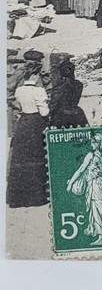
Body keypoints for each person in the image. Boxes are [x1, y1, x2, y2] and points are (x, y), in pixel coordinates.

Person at [6, 62, 50, 208]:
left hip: (23, 123)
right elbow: (44, 112)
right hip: (35, 123)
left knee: (22, 158)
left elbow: (18, 105)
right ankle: (37, 196)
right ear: (36, 75)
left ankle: (20, 197)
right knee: (37, 157)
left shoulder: (19, 90)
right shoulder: (39, 91)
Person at [49, 60, 89, 129]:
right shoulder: (78, 85)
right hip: (77, 112)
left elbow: (53, 103)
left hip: (61, 115)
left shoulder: (59, 87)